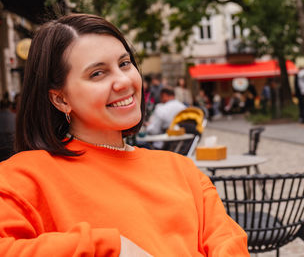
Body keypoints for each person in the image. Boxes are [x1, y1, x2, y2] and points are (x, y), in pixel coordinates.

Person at [0, 14, 249, 256]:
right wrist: (110, 248)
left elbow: (229, 244)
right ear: (60, 99)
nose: (123, 82)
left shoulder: (183, 171)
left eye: (124, 63)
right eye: (97, 73)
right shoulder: (22, 178)